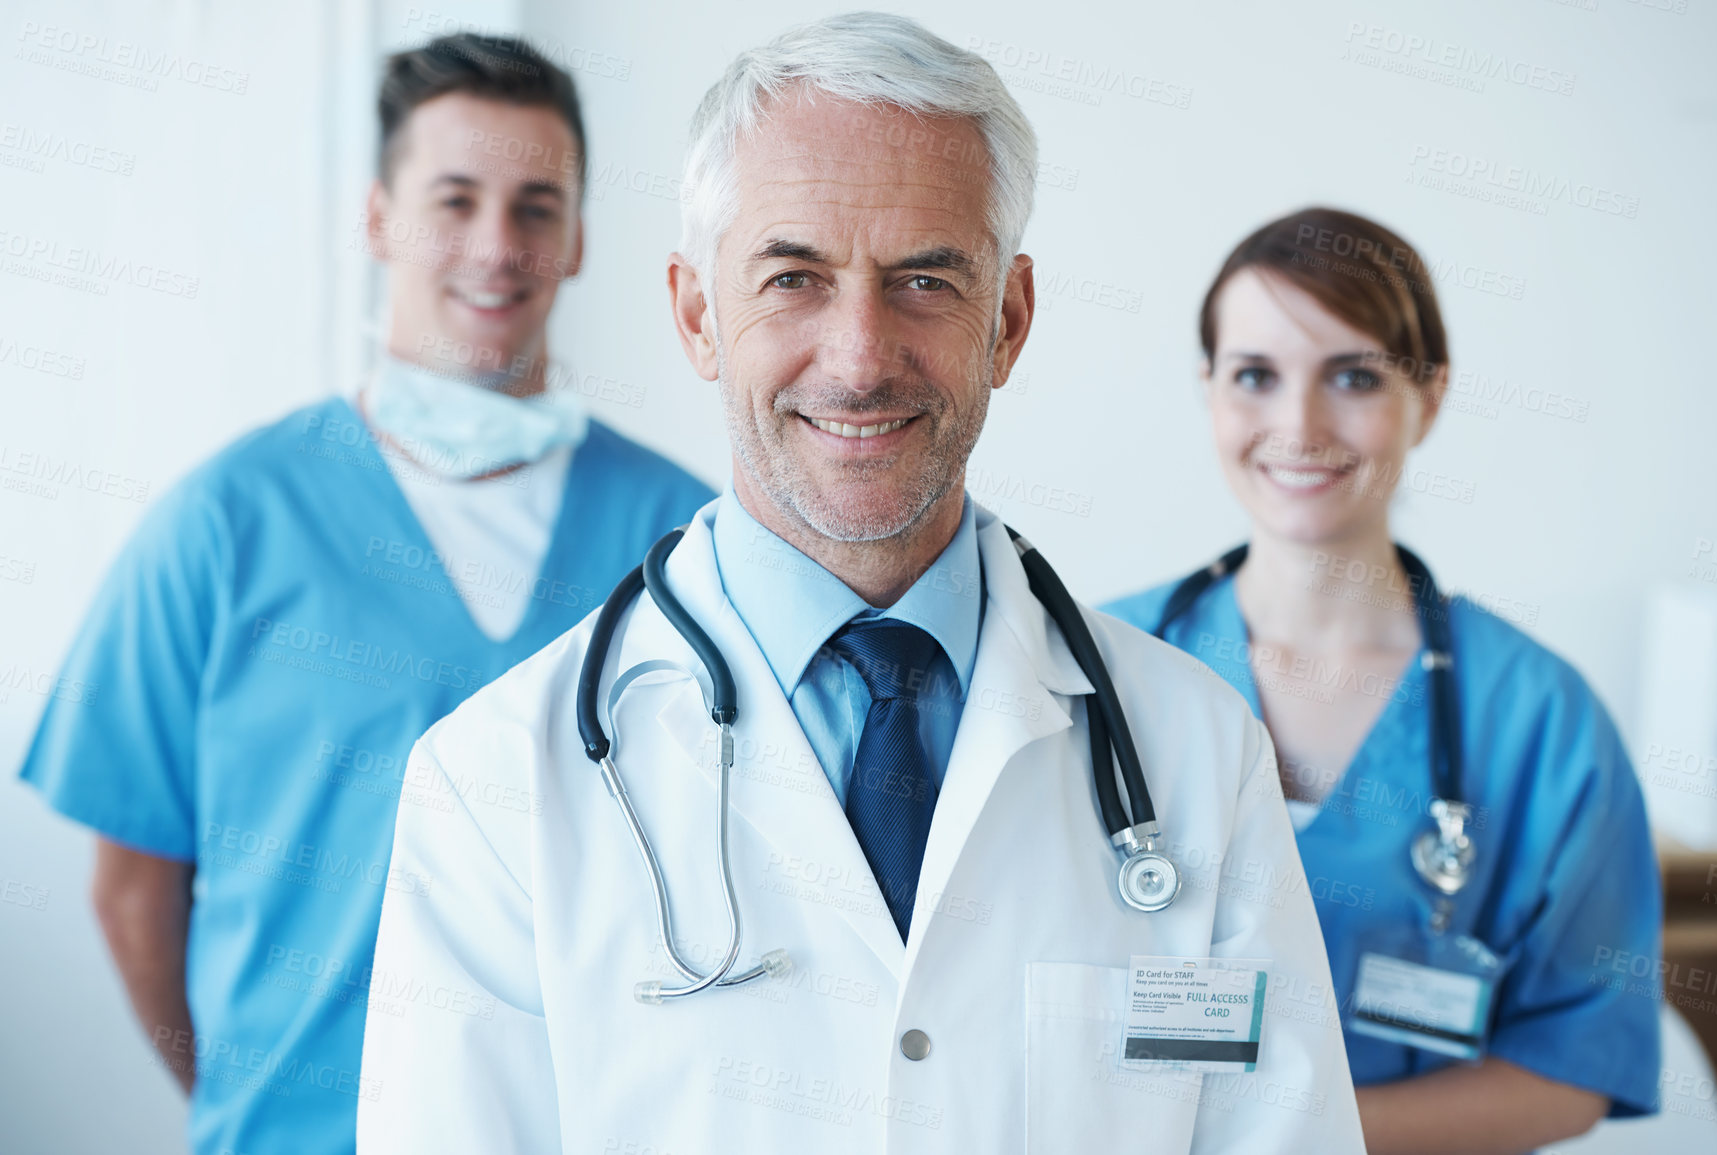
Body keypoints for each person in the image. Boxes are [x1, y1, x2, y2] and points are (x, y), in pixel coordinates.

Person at [357, 15, 1364, 1153]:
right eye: (793, 278)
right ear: (698, 315)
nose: (858, 356)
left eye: (926, 280)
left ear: (1010, 321)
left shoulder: (1196, 756)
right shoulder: (494, 785)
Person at [16, 33, 713, 1155]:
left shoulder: (681, 543)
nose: (497, 246)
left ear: (580, 238)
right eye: (455, 199)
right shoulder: (226, 526)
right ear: (381, 218)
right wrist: (266, 1106)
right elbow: (130, 888)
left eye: (538, 206)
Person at [1104, 207, 1660, 1153]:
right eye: (1254, 376)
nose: (1299, 425)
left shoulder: (1537, 720)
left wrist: (1293, 1139)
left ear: (1429, 395)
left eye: (1354, 376)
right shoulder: (1091, 665)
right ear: (1208, 390)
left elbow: (1577, 1060)